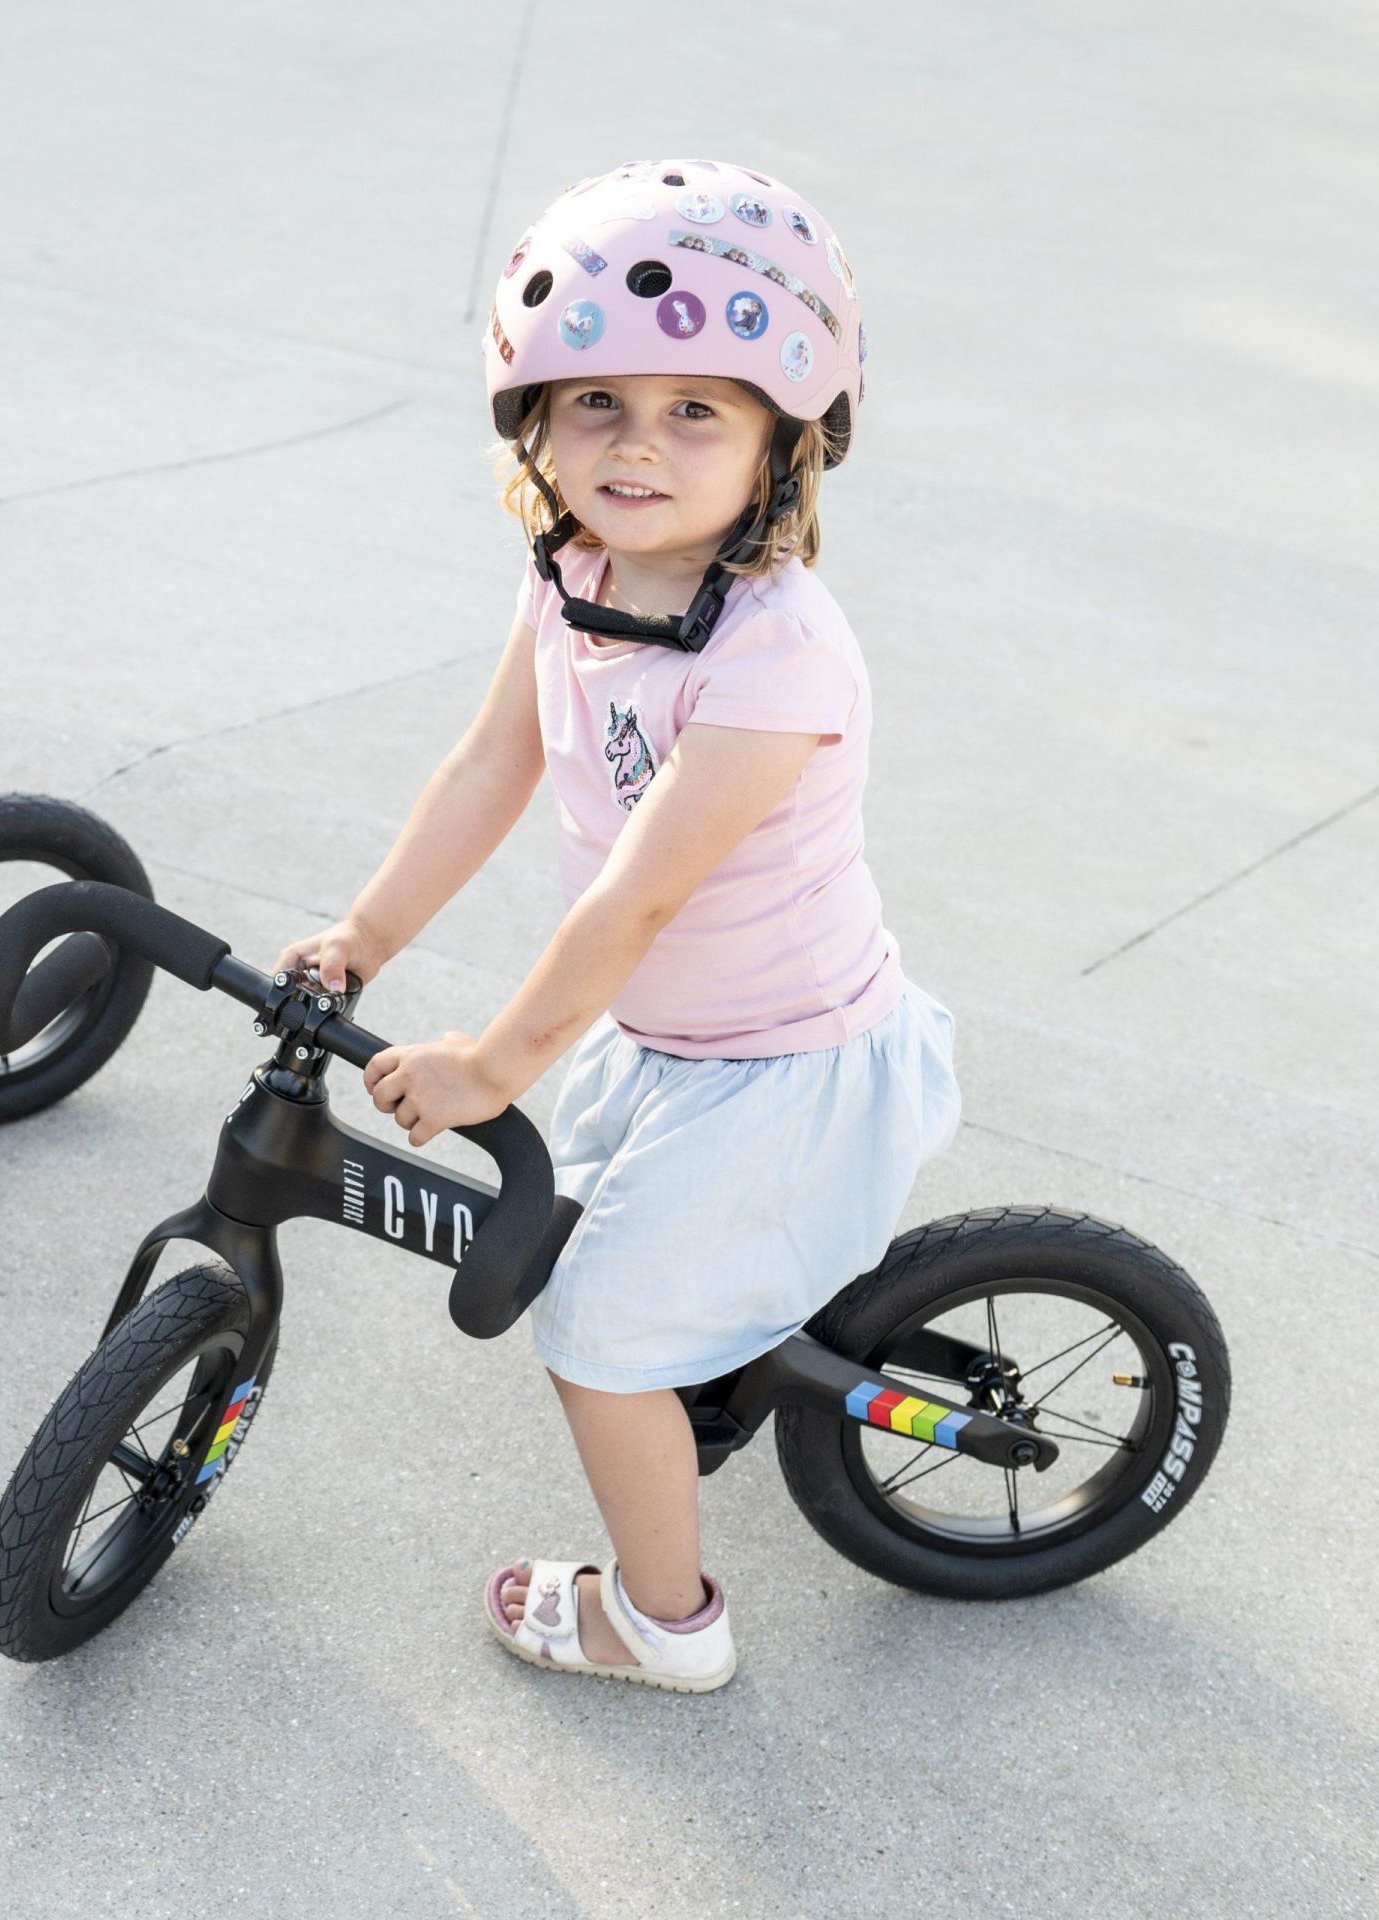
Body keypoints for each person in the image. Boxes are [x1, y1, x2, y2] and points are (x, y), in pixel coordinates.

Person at [275, 159, 958, 1691]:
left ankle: (666, 1627)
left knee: (588, 1333)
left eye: (695, 409)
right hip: (667, 1039)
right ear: (536, 417)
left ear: (786, 440)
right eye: (598, 402)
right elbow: (490, 767)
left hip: (782, 1065)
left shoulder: (776, 657)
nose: (637, 444)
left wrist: (490, 1067)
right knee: (585, 1244)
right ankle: (704, 1356)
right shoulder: (572, 580)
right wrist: (365, 935)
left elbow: (640, 894)